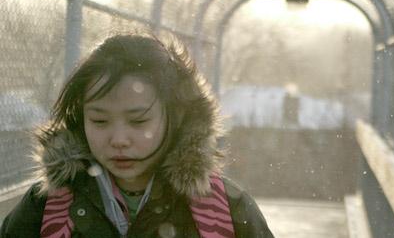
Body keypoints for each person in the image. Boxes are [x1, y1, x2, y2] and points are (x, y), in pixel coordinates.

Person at [0, 32, 275, 238]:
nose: (118, 139)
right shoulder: (47, 206)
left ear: (177, 118)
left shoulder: (226, 207)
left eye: (138, 120)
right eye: (99, 120)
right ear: (79, 120)